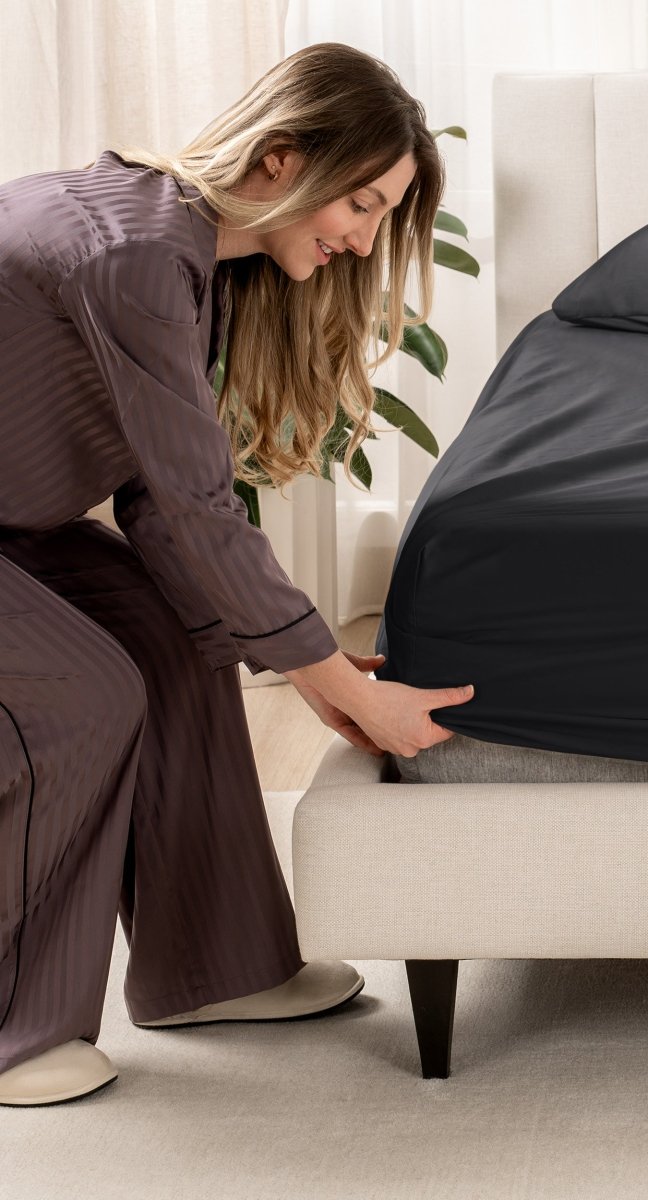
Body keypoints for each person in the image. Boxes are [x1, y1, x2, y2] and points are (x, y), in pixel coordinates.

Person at [0, 42, 474, 1106]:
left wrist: (306, 660)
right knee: (82, 696)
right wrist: (348, 693)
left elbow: (161, 509)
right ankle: (14, 1028)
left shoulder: (185, 258)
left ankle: (215, 967)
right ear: (279, 158)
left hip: (16, 526)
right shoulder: (130, 255)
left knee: (180, 636)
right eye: (359, 204)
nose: (360, 242)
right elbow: (195, 509)